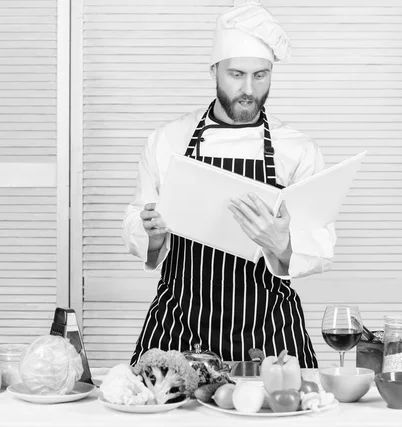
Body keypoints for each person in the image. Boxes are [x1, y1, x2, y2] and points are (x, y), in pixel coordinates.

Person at [122, 1, 336, 368]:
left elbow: (321, 246)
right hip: (179, 328)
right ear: (214, 70)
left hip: (270, 334)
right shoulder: (168, 139)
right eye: (236, 74)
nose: (248, 89)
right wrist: (152, 235)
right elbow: (135, 224)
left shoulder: (296, 149)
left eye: (261, 75)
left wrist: (283, 244)